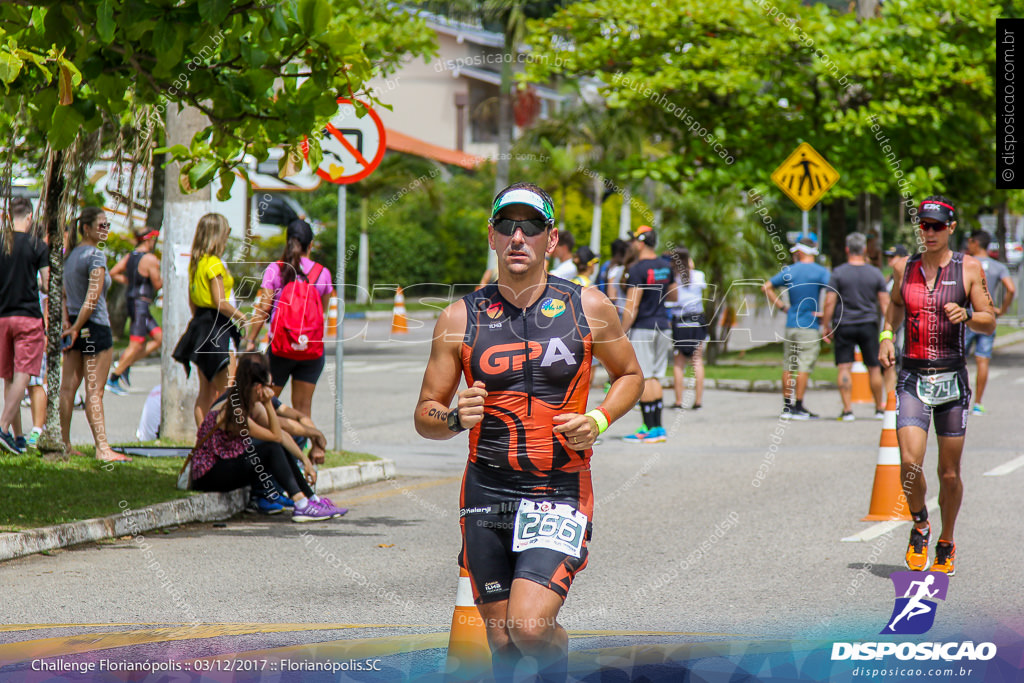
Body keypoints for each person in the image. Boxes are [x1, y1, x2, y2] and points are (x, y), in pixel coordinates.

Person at [414, 182, 642, 683]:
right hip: (487, 486)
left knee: (531, 628)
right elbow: (425, 413)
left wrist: (599, 418)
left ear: (551, 239)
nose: (518, 237)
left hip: (557, 486)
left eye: (531, 226)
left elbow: (631, 375)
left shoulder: (589, 306)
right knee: (501, 640)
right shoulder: (459, 317)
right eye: (506, 226)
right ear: (491, 237)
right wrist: (453, 418)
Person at [879, 196, 996, 576]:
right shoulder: (905, 267)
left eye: (936, 226)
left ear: (951, 228)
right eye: (923, 226)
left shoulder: (969, 268)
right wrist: (885, 335)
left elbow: (989, 320)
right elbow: (896, 305)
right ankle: (920, 525)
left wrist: (968, 315)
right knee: (910, 463)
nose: (928, 233)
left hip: (950, 375)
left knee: (949, 473)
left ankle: (946, 538)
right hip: (913, 375)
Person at [189, 353, 343, 521]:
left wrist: (304, 461)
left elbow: (282, 433)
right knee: (270, 447)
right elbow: (275, 437)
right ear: (257, 387)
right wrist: (268, 403)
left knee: (275, 445)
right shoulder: (235, 410)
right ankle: (300, 504)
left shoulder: (249, 402)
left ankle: (311, 499)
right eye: (268, 385)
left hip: (225, 466)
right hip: (208, 475)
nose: (270, 389)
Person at [244, 219, 334, 418]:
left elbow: (264, 308)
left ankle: (272, 446)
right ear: (310, 245)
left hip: (280, 349)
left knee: (265, 404)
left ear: (288, 242)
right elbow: (323, 311)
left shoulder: (275, 270)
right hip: (311, 349)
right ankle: (307, 448)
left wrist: (251, 340)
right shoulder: (322, 273)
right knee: (303, 409)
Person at [60, 208, 127, 462]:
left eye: (107, 225)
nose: (106, 229)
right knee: (94, 391)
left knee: (67, 389)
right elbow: (93, 296)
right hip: (94, 328)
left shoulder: (71, 256)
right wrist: (77, 327)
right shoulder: (95, 255)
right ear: (86, 228)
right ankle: (102, 448)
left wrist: (70, 325)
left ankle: (64, 445)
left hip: (75, 328)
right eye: (101, 225)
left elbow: (64, 296)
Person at [172, 213, 246, 427]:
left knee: (205, 391)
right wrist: (242, 318)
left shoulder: (197, 263)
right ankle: (222, 440)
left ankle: (202, 441)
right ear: (218, 235)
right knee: (228, 391)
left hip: (200, 327)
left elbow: (192, 303)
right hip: (217, 328)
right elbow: (220, 302)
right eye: (227, 232)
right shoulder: (214, 264)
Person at [821, 232, 890, 420]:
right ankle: (878, 408)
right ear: (865, 249)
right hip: (868, 324)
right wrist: (889, 327)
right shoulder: (875, 273)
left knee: (844, 367)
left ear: (846, 249)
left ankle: (847, 410)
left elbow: (829, 301)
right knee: (874, 367)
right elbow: (885, 303)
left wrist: (826, 325)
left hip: (844, 324)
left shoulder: (838, 273)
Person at [762, 237, 830, 420]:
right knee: (803, 366)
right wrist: (825, 315)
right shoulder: (821, 272)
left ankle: (787, 406)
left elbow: (766, 287)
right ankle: (799, 406)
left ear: (800, 251)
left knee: (789, 365)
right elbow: (833, 292)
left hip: (791, 323)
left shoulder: (790, 271)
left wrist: (783, 307)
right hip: (809, 325)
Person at [0, 197, 48, 454]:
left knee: (8, 376)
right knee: (25, 374)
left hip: (3, 317)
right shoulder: (37, 245)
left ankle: (16, 438)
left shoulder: (1, 243)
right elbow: (46, 282)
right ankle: (3, 427)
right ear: (29, 217)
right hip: (28, 316)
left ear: (10, 217)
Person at [620, 226, 676, 442]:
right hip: (663, 325)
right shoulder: (666, 266)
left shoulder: (637, 269)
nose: (633, 244)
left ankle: (649, 429)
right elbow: (674, 295)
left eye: (634, 240)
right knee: (656, 376)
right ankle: (657, 428)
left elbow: (632, 306)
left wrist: (621, 331)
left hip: (643, 326)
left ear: (641, 243)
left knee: (644, 377)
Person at [963, 229, 1016, 415]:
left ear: (975, 243)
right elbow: (1011, 288)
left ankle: (957, 398)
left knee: (958, 359)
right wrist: (1001, 309)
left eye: (969, 241)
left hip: (967, 316)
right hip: (987, 317)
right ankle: (977, 403)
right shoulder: (997, 266)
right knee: (983, 360)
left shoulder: (967, 264)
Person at [106, 225, 163, 395]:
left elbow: (114, 272)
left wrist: (130, 282)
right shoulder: (150, 259)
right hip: (140, 304)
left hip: (135, 302)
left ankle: (125, 363)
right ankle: (114, 376)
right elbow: (157, 284)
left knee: (159, 338)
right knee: (136, 343)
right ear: (148, 239)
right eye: (153, 238)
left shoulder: (130, 256)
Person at [666, 246, 707, 410]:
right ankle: (698, 401)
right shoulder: (699, 275)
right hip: (697, 320)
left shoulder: (673, 277)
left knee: (678, 363)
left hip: (680, 320)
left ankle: (678, 401)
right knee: (697, 361)